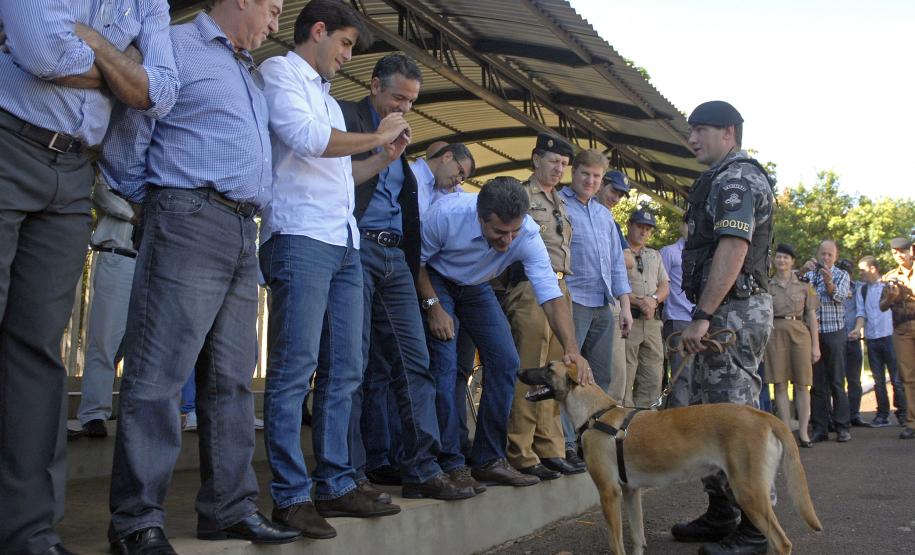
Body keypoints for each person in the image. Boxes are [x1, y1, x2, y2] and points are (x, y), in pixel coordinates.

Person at [0, 2, 179, 553]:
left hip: (76, 169)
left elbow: (161, 92)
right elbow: (43, 51)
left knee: (37, 352)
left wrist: (89, 42)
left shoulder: (150, 3)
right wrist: (122, 66)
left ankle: (29, 532)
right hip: (8, 141)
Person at [258, 0, 412, 538]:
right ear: (318, 31)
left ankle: (337, 483)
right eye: (345, 43)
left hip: (341, 238)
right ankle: (290, 494)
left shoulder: (325, 96)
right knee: (294, 369)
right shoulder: (279, 72)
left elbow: (341, 173)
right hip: (299, 235)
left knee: (346, 367)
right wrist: (374, 135)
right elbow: (306, 141)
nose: (347, 57)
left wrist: (383, 156)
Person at [341, 53, 476, 502]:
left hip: (395, 258)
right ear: (375, 85)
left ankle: (422, 468)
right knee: (352, 366)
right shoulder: (346, 118)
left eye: (413, 100)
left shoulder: (403, 143)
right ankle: (350, 474)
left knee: (415, 363)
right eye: (399, 96)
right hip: (356, 248)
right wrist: (379, 144)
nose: (406, 106)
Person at [419, 177, 592, 488]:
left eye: (513, 231)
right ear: (480, 216)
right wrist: (433, 306)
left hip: (476, 286)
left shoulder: (526, 234)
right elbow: (415, 262)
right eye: (499, 232)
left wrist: (571, 348)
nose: (507, 242)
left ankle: (489, 459)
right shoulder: (446, 214)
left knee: (506, 362)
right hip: (437, 279)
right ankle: (450, 462)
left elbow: (551, 296)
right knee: (445, 367)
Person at [673, 100, 775, 555]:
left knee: (733, 420)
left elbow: (733, 247)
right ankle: (723, 512)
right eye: (690, 130)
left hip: (732, 311)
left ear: (728, 132)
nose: (692, 138)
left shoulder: (737, 178)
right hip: (721, 312)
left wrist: (703, 314)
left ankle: (757, 528)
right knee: (706, 415)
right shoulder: (718, 177)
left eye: (701, 130)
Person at [504, 133, 581, 480]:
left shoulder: (559, 201)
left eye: (563, 164)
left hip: (560, 286)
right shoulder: (521, 194)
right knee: (531, 368)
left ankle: (550, 448)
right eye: (553, 162)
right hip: (531, 286)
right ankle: (521, 449)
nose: (558, 169)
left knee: (556, 370)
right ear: (536, 160)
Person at [559, 148, 632, 453]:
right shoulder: (559, 204)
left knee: (601, 377)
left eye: (596, 176)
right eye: (585, 174)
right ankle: (565, 443)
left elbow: (616, 263)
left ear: (602, 181)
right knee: (569, 376)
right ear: (573, 173)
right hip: (573, 301)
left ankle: (595, 441)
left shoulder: (605, 215)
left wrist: (625, 306)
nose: (590, 180)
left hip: (604, 304)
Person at [76, 178, 139, 439]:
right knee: (105, 339)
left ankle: (127, 409)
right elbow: (101, 194)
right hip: (118, 255)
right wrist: (136, 213)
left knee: (135, 343)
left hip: (150, 260)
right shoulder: (114, 167)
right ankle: (94, 413)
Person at [766, 244, 820, 447]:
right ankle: (786, 432)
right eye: (779, 257)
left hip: (799, 332)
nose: (781, 261)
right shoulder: (768, 286)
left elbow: (812, 316)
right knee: (779, 384)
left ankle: (804, 432)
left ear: (793, 261)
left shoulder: (804, 285)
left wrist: (816, 346)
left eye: (786, 258)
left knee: (802, 384)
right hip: (775, 333)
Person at [803, 240, 853, 443]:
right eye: (822, 253)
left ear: (835, 257)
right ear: (817, 253)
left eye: (829, 255)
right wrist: (800, 272)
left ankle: (842, 426)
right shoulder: (809, 275)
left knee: (837, 381)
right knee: (816, 383)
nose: (825, 257)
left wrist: (829, 282)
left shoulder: (842, 275)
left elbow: (840, 297)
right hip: (813, 334)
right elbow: (796, 294)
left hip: (834, 332)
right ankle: (820, 428)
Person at [622, 210, 670, 407]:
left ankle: (646, 420)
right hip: (628, 322)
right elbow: (615, 283)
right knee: (625, 374)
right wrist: (639, 302)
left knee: (652, 376)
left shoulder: (654, 255)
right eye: (640, 227)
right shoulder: (619, 251)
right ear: (630, 225)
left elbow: (665, 285)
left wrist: (653, 300)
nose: (644, 232)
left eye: (648, 229)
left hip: (651, 322)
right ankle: (622, 423)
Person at [596, 170, 636, 402]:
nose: (616, 198)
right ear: (602, 185)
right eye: (614, 191)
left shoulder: (610, 221)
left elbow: (629, 260)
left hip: (610, 303)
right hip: (578, 299)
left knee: (613, 377)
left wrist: (602, 253)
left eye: (621, 195)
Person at [856, 255, 907, 427]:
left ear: (872, 269)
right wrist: (858, 329)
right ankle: (882, 414)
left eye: (862, 270)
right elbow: (861, 313)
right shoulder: (862, 290)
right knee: (878, 380)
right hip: (872, 337)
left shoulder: (888, 285)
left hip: (889, 335)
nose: (860, 273)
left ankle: (903, 413)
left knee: (897, 378)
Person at [879, 237, 915, 439]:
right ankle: (911, 421)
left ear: (911, 250)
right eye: (895, 253)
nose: (900, 255)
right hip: (901, 330)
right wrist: (891, 297)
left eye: (903, 251)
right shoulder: (889, 277)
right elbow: (882, 306)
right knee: (907, 378)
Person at [660, 222, 695, 408]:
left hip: (701, 321)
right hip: (678, 319)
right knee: (681, 376)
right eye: (690, 224)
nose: (693, 228)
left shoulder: (704, 251)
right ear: (682, 226)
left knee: (697, 376)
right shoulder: (669, 252)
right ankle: (680, 426)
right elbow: (660, 285)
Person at [839, 258, 868, 427]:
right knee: (837, 380)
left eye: (848, 272)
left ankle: (854, 414)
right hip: (836, 339)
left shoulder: (858, 288)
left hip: (852, 338)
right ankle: (841, 416)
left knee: (854, 380)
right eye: (843, 272)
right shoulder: (832, 286)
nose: (845, 276)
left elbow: (861, 312)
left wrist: (857, 329)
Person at [412, 142, 474, 217]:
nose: (458, 180)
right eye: (460, 171)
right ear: (447, 157)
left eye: (463, 178)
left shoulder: (431, 187)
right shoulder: (411, 178)